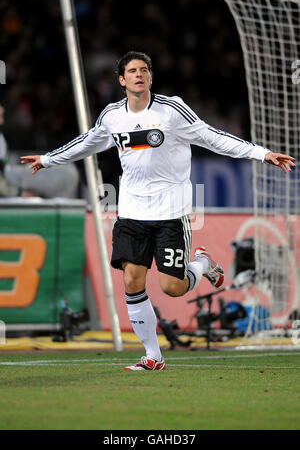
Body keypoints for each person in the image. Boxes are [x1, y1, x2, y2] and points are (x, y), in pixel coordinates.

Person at [20, 51, 295, 371]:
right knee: (132, 280)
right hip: (132, 211)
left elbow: (213, 138)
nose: (139, 74)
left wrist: (262, 154)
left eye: (144, 70)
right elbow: (88, 142)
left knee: (172, 287)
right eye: (132, 71)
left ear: (150, 77)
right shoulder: (112, 116)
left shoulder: (172, 110)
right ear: (122, 81)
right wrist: (48, 159)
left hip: (171, 213)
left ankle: (202, 264)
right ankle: (153, 355)